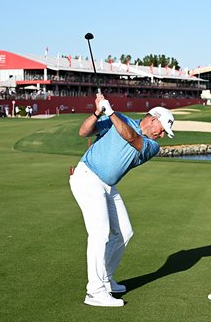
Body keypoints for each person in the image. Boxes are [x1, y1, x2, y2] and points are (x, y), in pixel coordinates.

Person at [69, 94, 174, 307]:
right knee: (99, 233)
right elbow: (83, 132)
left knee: (125, 232)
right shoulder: (121, 119)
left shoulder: (151, 146)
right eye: (162, 129)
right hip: (87, 177)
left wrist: (110, 112)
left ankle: (106, 279)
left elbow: (131, 138)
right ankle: (95, 292)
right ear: (153, 119)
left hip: (108, 186)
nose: (162, 135)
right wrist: (98, 112)